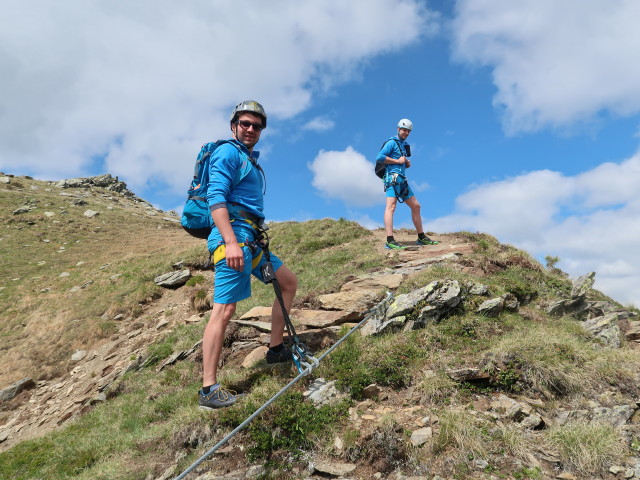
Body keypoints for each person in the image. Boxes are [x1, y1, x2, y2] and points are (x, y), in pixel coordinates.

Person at [199, 100, 298, 409]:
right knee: (224, 311)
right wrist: (229, 242)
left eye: (257, 126)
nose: (251, 129)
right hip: (235, 239)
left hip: (251, 239)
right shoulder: (228, 152)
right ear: (234, 126)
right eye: (245, 123)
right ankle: (208, 390)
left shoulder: (247, 158)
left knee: (288, 283)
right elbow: (215, 196)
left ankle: (276, 349)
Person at [376, 118, 438, 249]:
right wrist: (398, 161)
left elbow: (399, 161)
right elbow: (380, 157)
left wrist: (405, 163)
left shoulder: (404, 145)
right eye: (404, 130)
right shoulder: (391, 142)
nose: (406, 133)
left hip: (402, 180)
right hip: (392, 180)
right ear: (398, 129)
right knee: (391, 207)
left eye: (408, 131)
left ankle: (421, 237)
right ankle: (389, 240)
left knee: (416, 206)